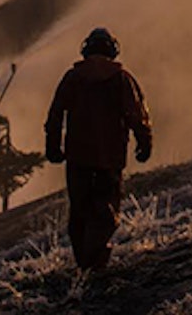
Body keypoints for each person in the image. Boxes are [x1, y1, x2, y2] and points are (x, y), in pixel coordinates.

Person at [44, 27, 153, 271]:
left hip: (78, 157)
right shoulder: (122, 79)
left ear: (86, 49)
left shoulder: (72, 78)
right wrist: (144, 142)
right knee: (105, 210)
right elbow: (137, 114)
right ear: (112, 50)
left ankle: (84, 263)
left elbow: (55, 115)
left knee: (79, 212)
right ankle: (96, 263)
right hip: (110, 157)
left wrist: (53, 146)